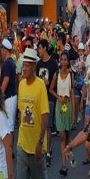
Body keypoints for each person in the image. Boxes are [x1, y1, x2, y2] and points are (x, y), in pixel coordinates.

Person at [16, 48, 49, 179]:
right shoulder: (21, 85)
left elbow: (45, 115)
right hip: (22, 145)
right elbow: (20, 110)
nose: (24, 68)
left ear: (34, 67)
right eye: (24, 64)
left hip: (36, 147)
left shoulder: (40, 85)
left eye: (27, 65)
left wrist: (40, 143)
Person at [50, 51, 75, 176]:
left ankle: (69, 153)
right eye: (62, 59)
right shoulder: (56, 74)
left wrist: (75, 114)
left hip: (68, 106)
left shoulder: (71, 75)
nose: (63, 62)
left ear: (68, 61)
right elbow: (51, 89)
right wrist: (58, 97)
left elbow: (72, 93)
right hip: (60, 106)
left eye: (65, 59)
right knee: (62, 136)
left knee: (68, 135)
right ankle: (64, 165)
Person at [36, 39, 59, 167]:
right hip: (39, 98)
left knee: (48, 126)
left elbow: (55, 82)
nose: (38, 50)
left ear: (44, 48)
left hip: (49, 98)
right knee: (41, 126)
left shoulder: (53, 64)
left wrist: (49, 83)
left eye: (40, 48)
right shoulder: (38, 64)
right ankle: (43, 148)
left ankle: (49, 151)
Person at [0, 39, 17, 149]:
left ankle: (9, 151)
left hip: (9, 98)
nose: (1, 51)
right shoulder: (11, 61)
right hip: (12, 96)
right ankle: (10, 151)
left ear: (5, 50)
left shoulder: (7, 63)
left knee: (9, 126)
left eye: (1, 48)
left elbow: (5, 81)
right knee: (10, 125)